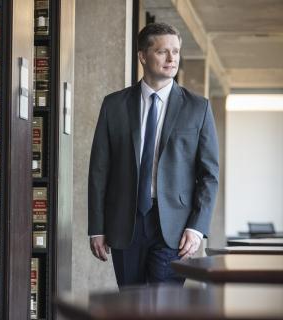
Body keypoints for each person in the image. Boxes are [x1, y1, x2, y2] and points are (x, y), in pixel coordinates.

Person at [88, 22, 219, 286]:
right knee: (130, 304)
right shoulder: (113, 105)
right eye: (162, 52)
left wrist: (197, 227)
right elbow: (99, 171)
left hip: (174, 227)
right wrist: (97, 228)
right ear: (142, 56)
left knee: (164, 306)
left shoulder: (198, 108)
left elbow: (209, 175)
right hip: (125, 222)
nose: (172, 58)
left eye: (176, 51)